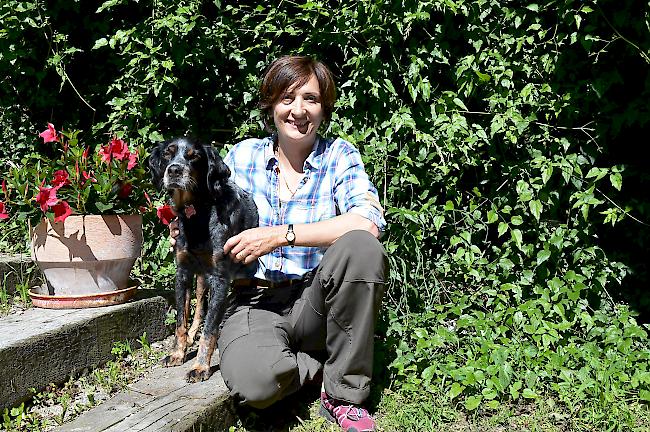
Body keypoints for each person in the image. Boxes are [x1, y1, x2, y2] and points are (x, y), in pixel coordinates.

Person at [172, 55, 387, 432]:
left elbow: (368, 222)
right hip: (252, 301)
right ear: (270, 104)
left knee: (362, 248)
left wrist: (280, 234)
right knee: (257, 384)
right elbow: (203, 206)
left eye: (311, 99)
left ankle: (344, 396)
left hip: (316, 299)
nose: (298, 110)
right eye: (287, 98)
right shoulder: (242, 156)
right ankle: (318, 368)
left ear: (324, 108)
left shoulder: (340, 156)